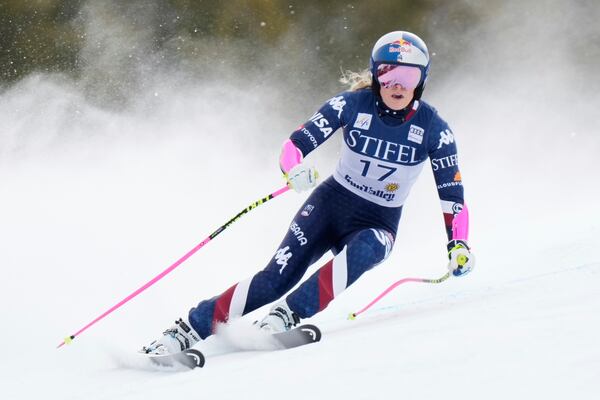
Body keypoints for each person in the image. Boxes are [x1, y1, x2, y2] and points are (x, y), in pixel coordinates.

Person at [142, 31, 475, 355]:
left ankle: (285, 316)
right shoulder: (351, 105)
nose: (398, 84)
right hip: (330, 205)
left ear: (422, 80)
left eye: (408, 75)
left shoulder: (435, 129)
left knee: (369, 248)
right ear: (375, 76)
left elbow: (452, 193)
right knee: (274, 280)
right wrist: (294, 168)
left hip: (378, 220)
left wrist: (458, 244)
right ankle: (186, 331)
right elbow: (295, 144)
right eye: (388, 75)